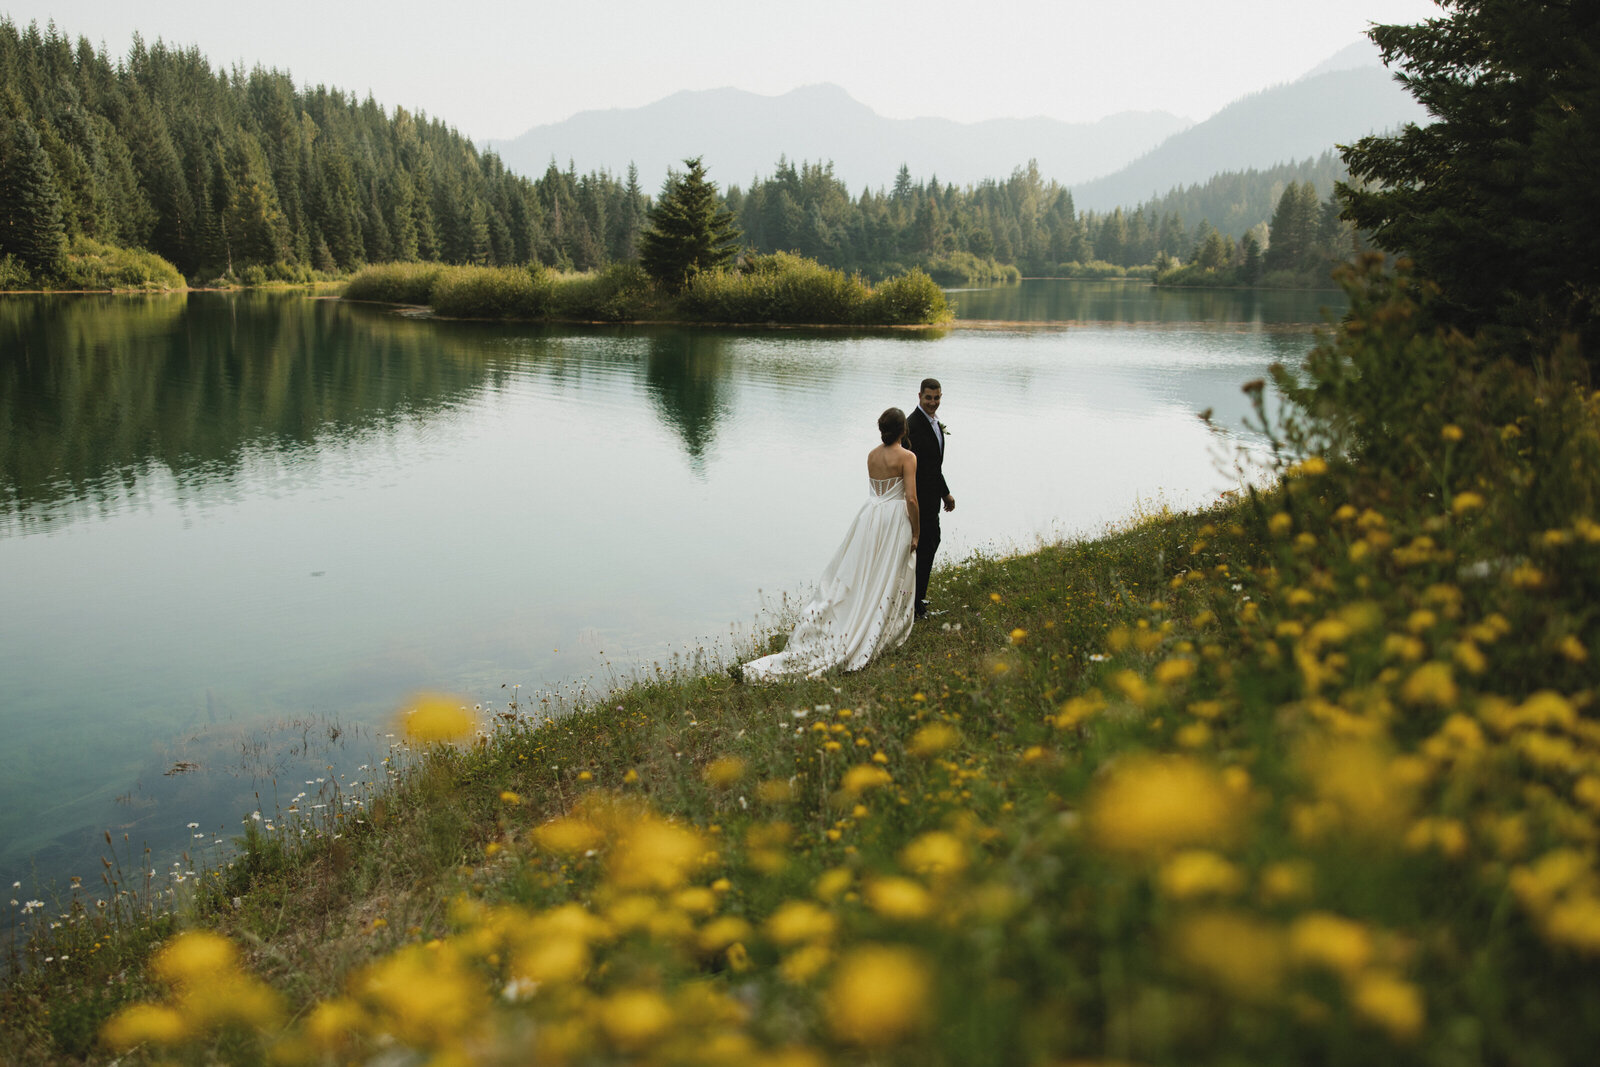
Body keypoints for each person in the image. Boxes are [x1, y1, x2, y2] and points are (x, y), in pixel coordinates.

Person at [741, 408, 920, 681]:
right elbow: (911, 499)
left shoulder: (871, 455)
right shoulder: (908, 457)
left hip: (869, 518)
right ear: (903, 430)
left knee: (866, 572)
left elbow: (877, 491)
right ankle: (878, 624)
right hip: (894, 520)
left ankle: (857, 612)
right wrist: (916, 532)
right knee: (887, 573)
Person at [905, 378, 954, 618]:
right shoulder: (911, 426)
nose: (933, 403)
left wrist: (945, 493)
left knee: (930, 545)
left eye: (937, 398)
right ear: (919, 396)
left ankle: (917, 600)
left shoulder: (934, 424)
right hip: (919, 502)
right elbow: (911, 471)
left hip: (933, 498)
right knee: (925, 547)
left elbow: (934, 466)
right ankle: (915, 607)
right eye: (929, 398)